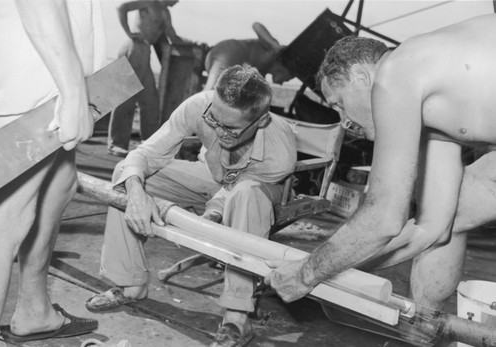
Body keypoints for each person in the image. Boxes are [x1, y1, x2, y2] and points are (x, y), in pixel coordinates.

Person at [265, 14, 496, 312]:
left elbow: (384, 215)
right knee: (458, 211)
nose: (344, 122)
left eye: (338, 103)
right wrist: (322, 271)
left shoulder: (396, 71)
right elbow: (431, 229)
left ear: (362, 77)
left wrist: (307, 273)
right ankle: (427, 328)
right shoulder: (436, 115)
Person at [85, 64, 297, 346]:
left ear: (258, 122)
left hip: (254, 189)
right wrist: (136, 192)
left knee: (246, 195)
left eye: (230, 129)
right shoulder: (199, 105)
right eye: (214, 120)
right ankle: (130, 282)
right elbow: (146, 152)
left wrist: (213, 212)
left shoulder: (279, 152)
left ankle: (237, 317)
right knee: (125, 176)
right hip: (209, 176)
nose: (219, 130)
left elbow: (234, 191)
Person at [0, 0, 106, 344]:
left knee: (61, 184)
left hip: (50, 71)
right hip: (37, 76)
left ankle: (34, 310)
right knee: (5, 220)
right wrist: (72, 90)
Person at [108, 0, 185, 157]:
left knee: (151, 102)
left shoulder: (165, 12)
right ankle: (116, 144)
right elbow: (122, 8)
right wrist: (128, 31)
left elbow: (172, 35)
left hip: (145, 52)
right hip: (135, 48)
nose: (177, 2)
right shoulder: (149, 1)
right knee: (126, 98)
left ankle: (149, 146)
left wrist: (193, 44)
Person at [203, 22, 292, 91]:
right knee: (213, 92)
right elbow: (256, 25)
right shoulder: (274, 51)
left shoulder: (261, 73)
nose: (281, 84)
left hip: (226, 61)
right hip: (229, 52)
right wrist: (274, 46)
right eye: (286, 80)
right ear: (288, 71)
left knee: (222, 95)